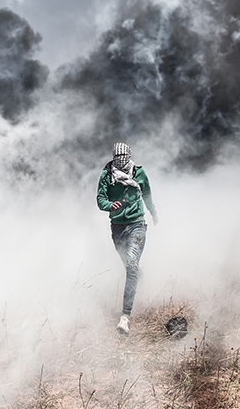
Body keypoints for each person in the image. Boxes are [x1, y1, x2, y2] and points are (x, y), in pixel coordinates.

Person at [96, 142, 158, 335]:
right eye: (117, 157)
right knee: (130, 267)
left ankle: (125, 317)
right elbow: (100, 199)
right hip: (117, 228)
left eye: (124, 157)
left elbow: (146, 193)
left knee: (131, 265)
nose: (121, 161)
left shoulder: (138, 173)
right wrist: (110, 205)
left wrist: (153, 212)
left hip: (137, 224)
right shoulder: (107, 175)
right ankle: (139, 277)